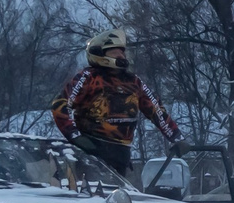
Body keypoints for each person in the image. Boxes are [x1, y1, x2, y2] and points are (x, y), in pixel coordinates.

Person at [51, 28, 181, 179]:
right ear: (100, 54)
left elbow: (156, 110)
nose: (121, 55)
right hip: (92, 151)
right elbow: (60, 105)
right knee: (95, 194)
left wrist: (176, 136)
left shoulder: (134, 81)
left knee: (119, 196)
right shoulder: (88, 77)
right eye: (114, 52)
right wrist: (74, 135)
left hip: (121, 153)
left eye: (122, 52)